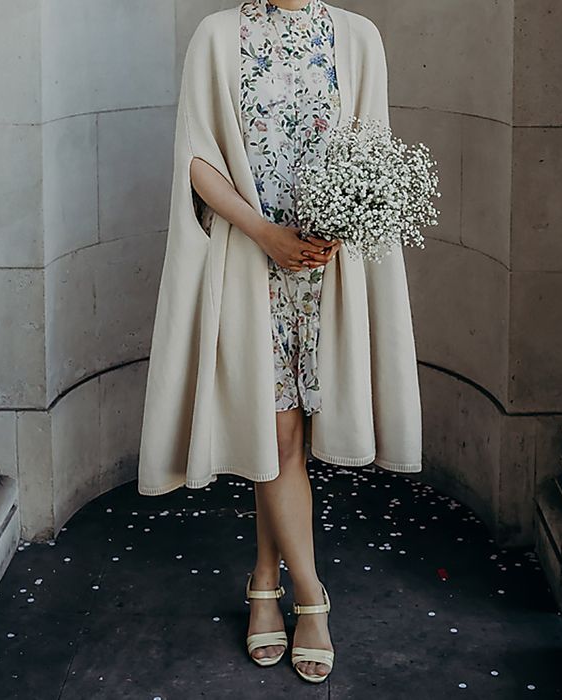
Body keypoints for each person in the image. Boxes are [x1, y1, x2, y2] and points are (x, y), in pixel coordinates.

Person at [138, 0, 423, 686]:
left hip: (328, 274)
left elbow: (374, 156)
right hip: (250, 268)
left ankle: (263, 577)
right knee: (281, 437)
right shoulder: (216, 35)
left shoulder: (358, 38)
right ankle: (310, 598)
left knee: (284, 440)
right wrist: (265, 233)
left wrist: (343, 224)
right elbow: (198, 160)